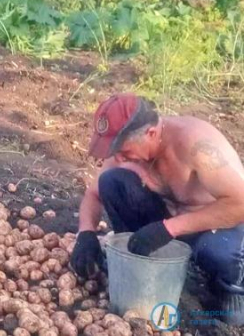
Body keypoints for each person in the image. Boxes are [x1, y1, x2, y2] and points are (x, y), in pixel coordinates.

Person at [70, 93, 244, 324]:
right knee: (111, 182)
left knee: (219, 254)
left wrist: (169, 228)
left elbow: (239, 203)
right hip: (168, 222)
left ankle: (232, 289)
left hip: (215, 224)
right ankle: (139, 260)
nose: (120, 158)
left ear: (151, 133)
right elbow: (93, 194)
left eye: (124, 151)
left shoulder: (196, 144)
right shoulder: (128, 151)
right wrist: (86, 233)